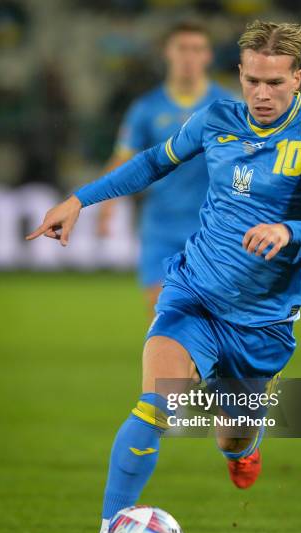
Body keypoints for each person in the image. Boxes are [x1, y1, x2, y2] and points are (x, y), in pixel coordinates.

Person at [26, 21, 301, 533]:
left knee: (231, 431)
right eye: (253, 80)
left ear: (297, 78)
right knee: (157, 406)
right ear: (240, 75)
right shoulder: (218, 119)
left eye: (276, 82)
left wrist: (288, 231)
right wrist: (80, 198)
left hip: (263, 323)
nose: (263, 94)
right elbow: (155, 160)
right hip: (194, 292)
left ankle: (243, 444)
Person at [98, 21, 234, 316]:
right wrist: (106, 202)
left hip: (211, 229)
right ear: (167, 53)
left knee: (209, 320)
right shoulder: (146, 108)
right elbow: (124, 157)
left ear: (208, 56)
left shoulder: (227, 106)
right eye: (182, 48)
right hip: (160, 226)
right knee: (164, 314)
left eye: (197, 49)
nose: (189, 56)